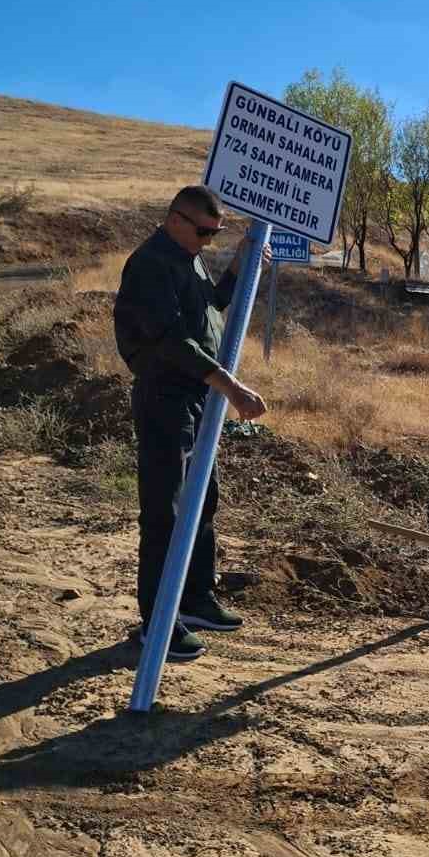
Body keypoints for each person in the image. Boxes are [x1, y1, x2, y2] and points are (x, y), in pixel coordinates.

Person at [113, 185, 270, 661]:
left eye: (215, 233)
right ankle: (157, 622)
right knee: (165, 513)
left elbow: (210, 307)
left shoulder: (188, 257)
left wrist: (238, 267)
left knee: (203, 498)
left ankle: (196, 599)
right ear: (176, 219)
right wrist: (231, 386)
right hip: (165, 399)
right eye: (204, 232)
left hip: (197, 398)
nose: (208, 241)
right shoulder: (150, 264)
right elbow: (172, 341)